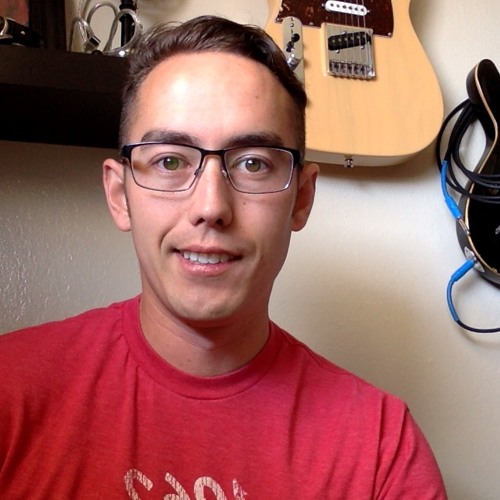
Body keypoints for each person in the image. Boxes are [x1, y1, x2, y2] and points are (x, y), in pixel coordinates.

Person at [0, 15, 447, 499]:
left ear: (301, 198)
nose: (211, 207)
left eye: (253, 163)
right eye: (170, 160)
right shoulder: (10, 388)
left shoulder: (382, 448)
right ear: (119, 194)